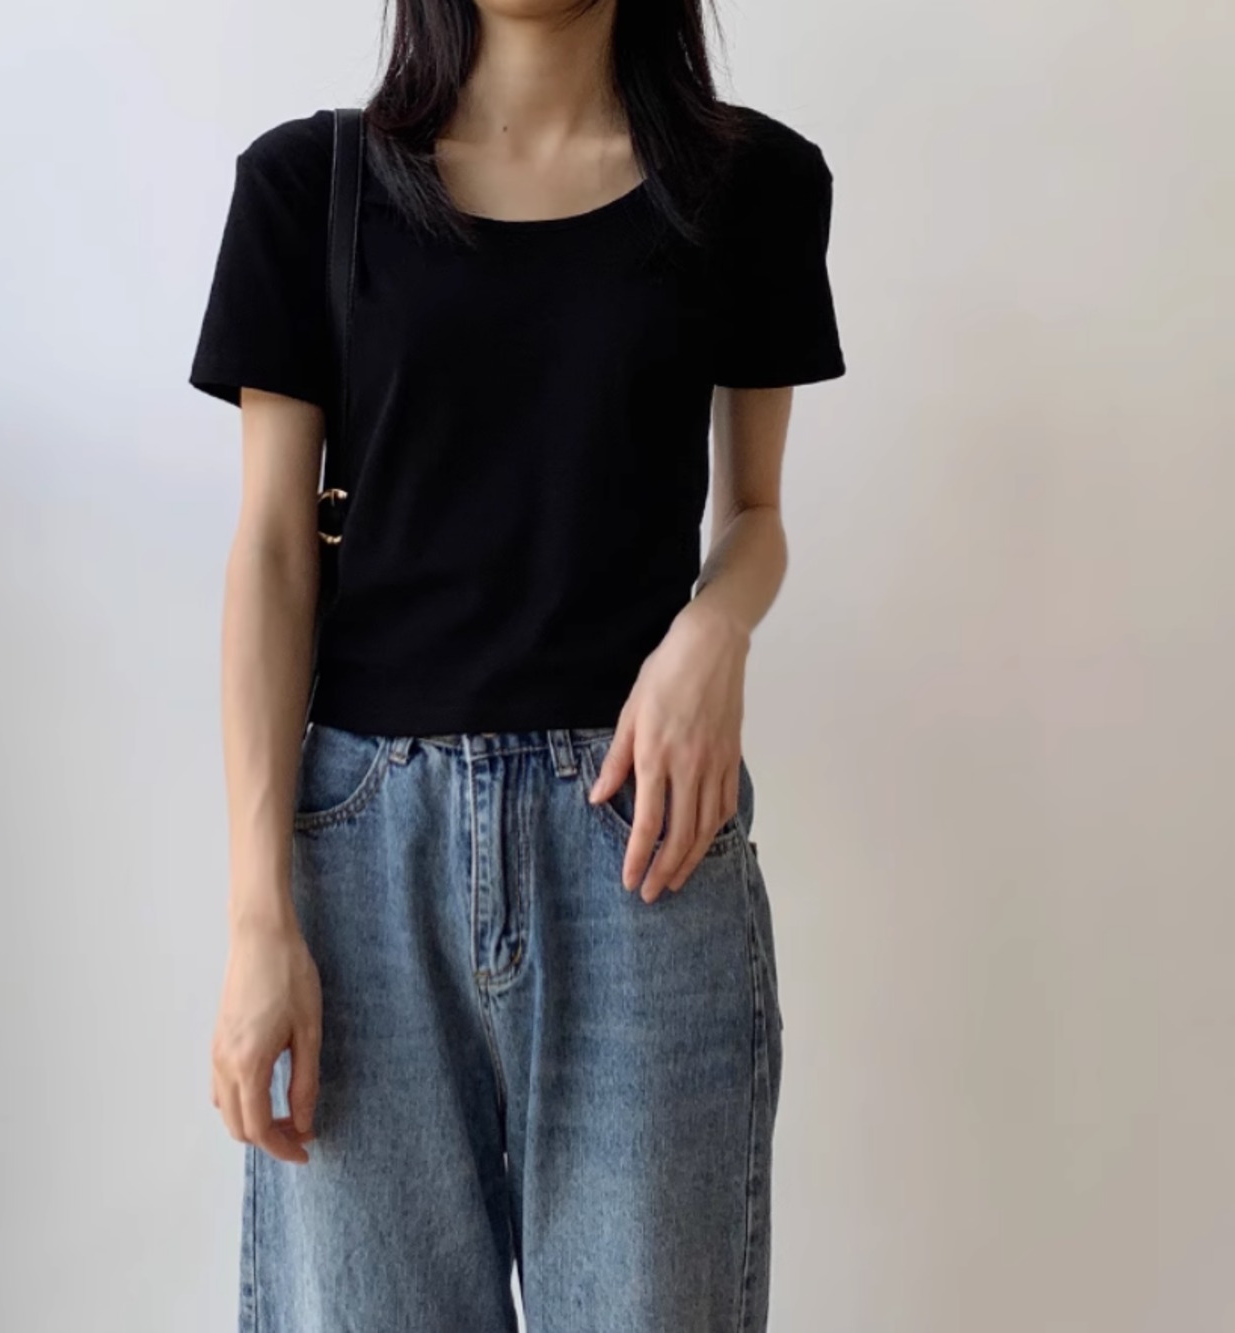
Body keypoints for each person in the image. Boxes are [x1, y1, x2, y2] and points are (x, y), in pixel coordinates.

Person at [188, 0, 845, 1328]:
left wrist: (712, 628)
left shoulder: (751, 184)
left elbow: (756, 517)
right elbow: (271, 552)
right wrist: (259, 917)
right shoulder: (308, 187)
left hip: (642, 842)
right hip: (361, 863)